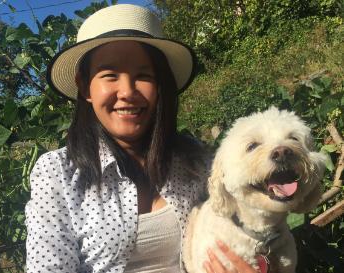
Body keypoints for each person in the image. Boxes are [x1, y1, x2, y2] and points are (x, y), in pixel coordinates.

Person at [25, 4, 259, 273]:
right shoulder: (58, 174)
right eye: (109, 75)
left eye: (144, 76)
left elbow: (252, 231)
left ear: (161, 86)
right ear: (84, 86)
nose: (127, 91)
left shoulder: (196, 161)